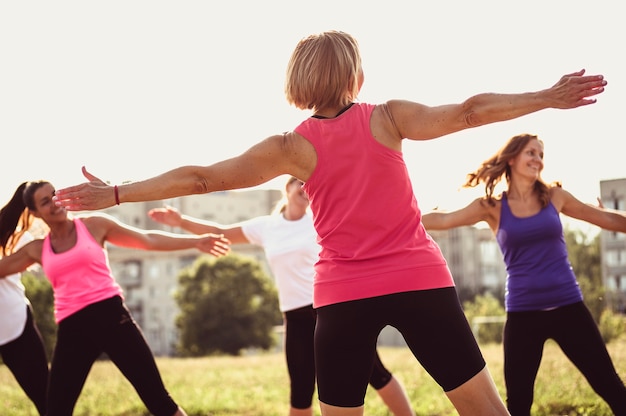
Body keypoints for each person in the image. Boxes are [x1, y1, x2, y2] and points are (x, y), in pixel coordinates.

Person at [52, 30, 607, 416]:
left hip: (342, 297)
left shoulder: (292, 148)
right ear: (352, 73)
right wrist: (547, 97)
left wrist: (117, 192)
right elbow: (468, 111)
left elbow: (204, 178)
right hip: (418, 283)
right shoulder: (388, 118)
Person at [148, 175, 415, 416]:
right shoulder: (267, 226)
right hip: (295, 318)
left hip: (331, 310)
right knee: (300, 391)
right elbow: (223, 231)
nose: (305, 186)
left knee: (375, 373)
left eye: (310, 183)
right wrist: (180, 221)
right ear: (286, 188)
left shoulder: (321, 220)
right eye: (299, 181)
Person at [419, 133, 626, 415]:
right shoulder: (491, 207)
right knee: (518, 404)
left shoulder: (556, 197)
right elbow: (443, 218)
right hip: (523, 314)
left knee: (610, 386)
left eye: (541, 155)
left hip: (569, 308)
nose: (538, 160)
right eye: (531, 153)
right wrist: (401, 218)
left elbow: (605, 218)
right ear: (513, 158)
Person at [0, 180, 231, 416]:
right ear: (35, 213)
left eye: (55, 195)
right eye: (46, 202)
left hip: (112, 319)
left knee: (158, 400)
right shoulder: (37, 249)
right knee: (55, 411)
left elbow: (147, 240)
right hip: (72, 328)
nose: (55, 204)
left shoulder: (94, 226)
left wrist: (195, 241)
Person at [0, 194, 49, 416]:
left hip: (12, 323)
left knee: (45, 397)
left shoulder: (17, 237)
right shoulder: (19, 237)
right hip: (13, 321)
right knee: (45, 397)